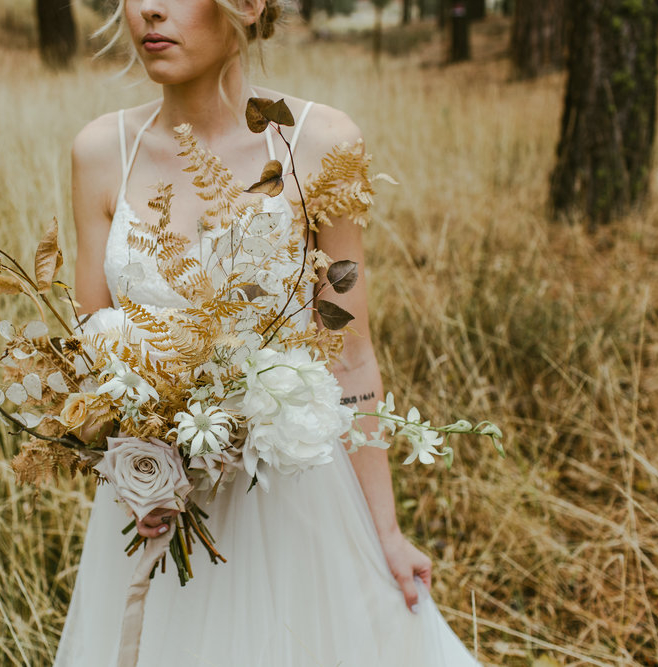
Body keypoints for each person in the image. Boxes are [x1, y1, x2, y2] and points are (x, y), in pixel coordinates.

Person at [57, 0, 480, 663]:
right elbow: (91, 351)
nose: (148, 10)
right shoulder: (98, 153)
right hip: (158, 509)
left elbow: (351, 352)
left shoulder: (321, 143)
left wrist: (387, 532)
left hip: (292, 498)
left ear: (248, 5)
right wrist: (135, 465)